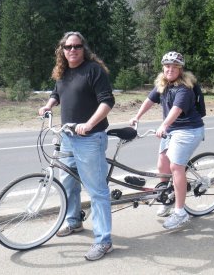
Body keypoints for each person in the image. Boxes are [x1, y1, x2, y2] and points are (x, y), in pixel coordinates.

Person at [38, 31, 115, 261]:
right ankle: (74, 221)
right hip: (68, 136)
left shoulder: (94, 70)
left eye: (77, 46)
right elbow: (56, 94)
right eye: (68, 46)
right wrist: (48, 106)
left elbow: (107, 101)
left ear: (84, 48)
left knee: (97, 190)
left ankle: (104, 241)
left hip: (90, 138)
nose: (72, 50)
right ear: (62, 49)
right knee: (68, 182)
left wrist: (90, 124)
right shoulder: (62, 72)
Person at [129, 51, 204, 230]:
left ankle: (180, 212)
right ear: (163, 67)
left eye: (174, 67)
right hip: (171, 130)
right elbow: (149, 100)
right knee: (162, 165)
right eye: (167, 66)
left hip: (188, 130)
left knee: (176, 167)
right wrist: (137, 116)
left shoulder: (184, 88)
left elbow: (176, 110)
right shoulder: (163, 84)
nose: (170, 69)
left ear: (180, 69)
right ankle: (168, 197)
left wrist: (163, 125)